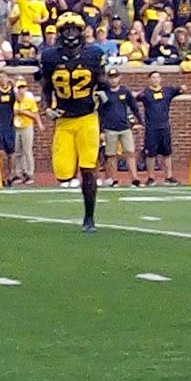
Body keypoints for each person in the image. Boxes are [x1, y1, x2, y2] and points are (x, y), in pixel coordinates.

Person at [40, 14, 108, 232]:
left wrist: (103, 94)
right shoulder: (50, 56)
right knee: (63, 174)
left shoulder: (94, 54)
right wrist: (47, 107)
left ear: (81, 32)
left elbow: (104, 81)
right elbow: (45, 87)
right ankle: (87, 213)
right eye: (66, 30)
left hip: (87, 117)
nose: (70, 34)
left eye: (74, 30)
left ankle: (89, 218)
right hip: (64, 120)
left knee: (88, 169)